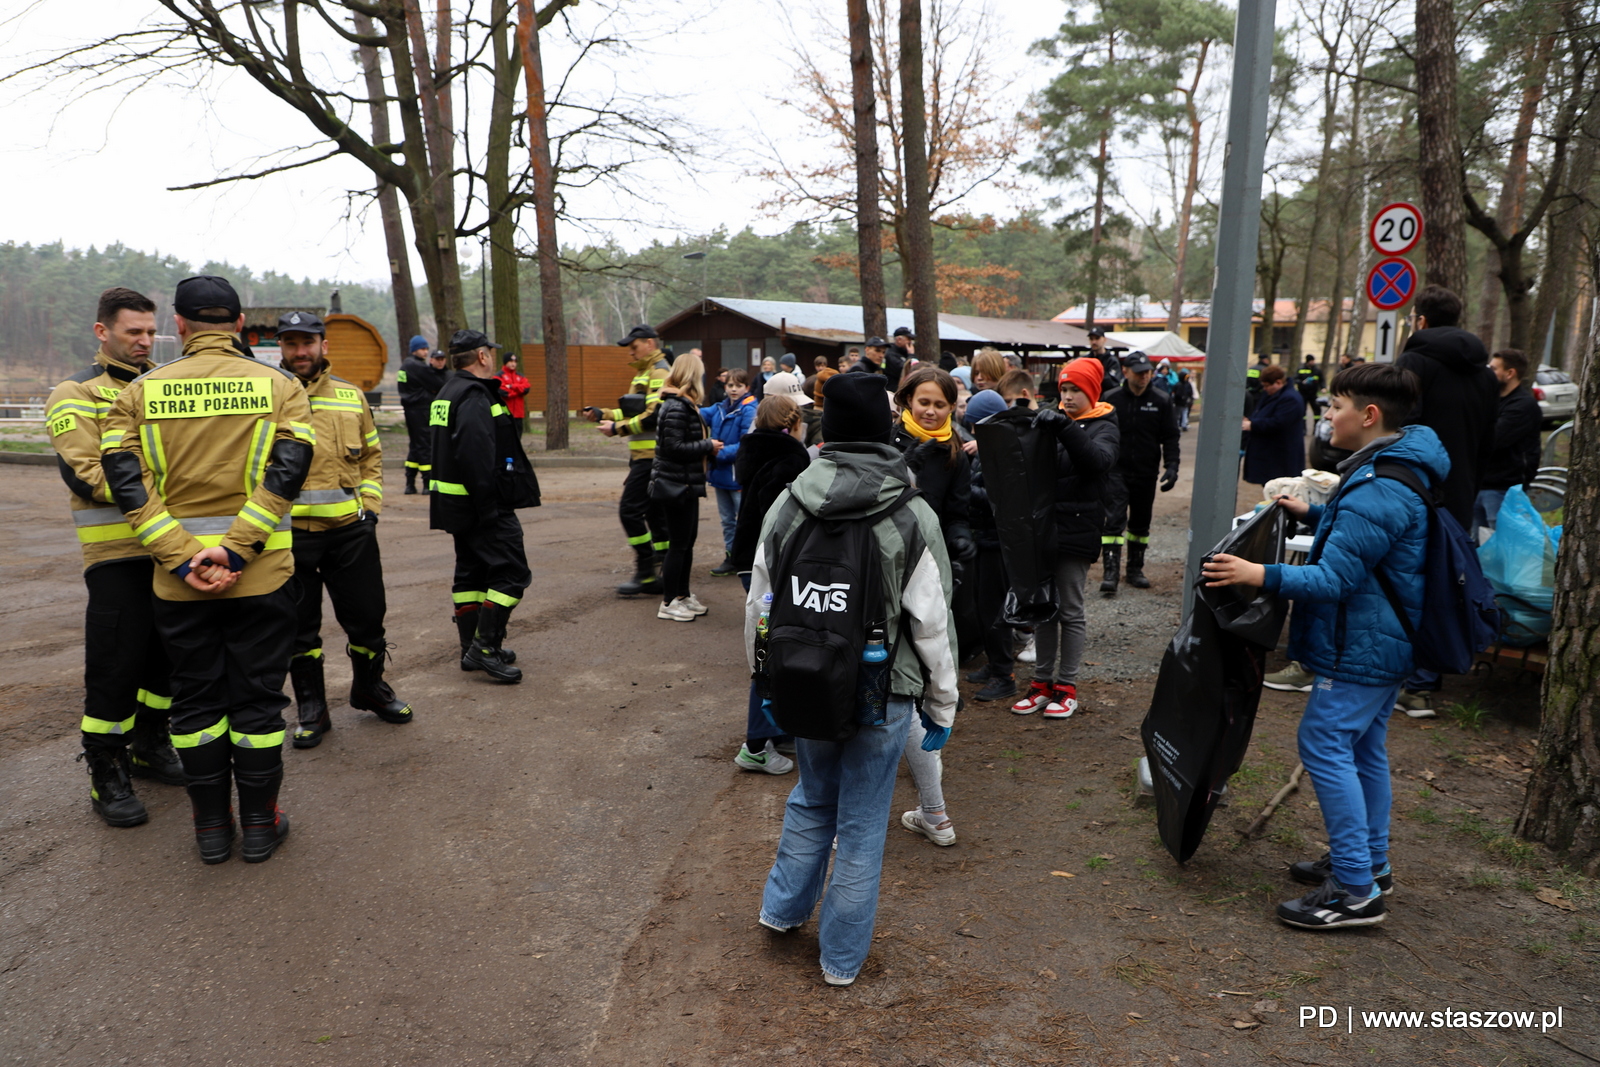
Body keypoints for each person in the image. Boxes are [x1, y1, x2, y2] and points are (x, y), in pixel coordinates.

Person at [1203, 362, 1446, 930]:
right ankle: (1371, 864)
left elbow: (1335, 580)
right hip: (1384, 641)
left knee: (1324, 741)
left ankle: (1356, 893)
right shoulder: (1393, 468)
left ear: (1369, 415)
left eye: (1334, 406)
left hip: (1362, 645)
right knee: (1363, 750)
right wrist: (1312, 511)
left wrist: (1255, 573)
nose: (1326, 416)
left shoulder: (1377, 487)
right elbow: (1367, 537)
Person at [750, 372, 958, 988]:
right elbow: (933, 624)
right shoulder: (913, 513)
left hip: (805, 681)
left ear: (827, 431)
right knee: (864, 820)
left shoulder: (788, 502)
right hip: (882, 690)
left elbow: (759, 604)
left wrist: (767, 682)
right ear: (888, 427)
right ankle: (840, 962)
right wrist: (942, 706)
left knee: (812, 797)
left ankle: (781, 912)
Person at [101, 274, 312, 864]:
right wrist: (238, 548)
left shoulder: (140, 393)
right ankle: (260, 825)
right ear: (240, 325)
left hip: (179, 582)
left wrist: (181, 554)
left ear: (180, 325)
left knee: (194, 703)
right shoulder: (283, 388)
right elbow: (287, 474)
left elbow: (125, 483)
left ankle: (212, 831)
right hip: (261, 573)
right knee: (259, 702)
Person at [47, 287, 182, 828]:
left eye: (151, 333)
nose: (145, 342)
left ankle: (151, 744)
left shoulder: (164, 390)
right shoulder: (76, 393)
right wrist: (168, 495)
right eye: (134, 332)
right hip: (116, 555)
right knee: (115, 666)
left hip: (168, 551)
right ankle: (106, 770)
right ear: (103, 332)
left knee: (164, 660)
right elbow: (86, 473)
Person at [275, 312, 412, 749]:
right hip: (290, 535)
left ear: (323, 346)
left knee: (369, 619)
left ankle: (369, 689)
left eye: (307, 343)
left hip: (350, 533)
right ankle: (313, 709)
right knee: (300, 627)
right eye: (291, 344)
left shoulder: (352, 397)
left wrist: (369, 508)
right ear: (281, 348)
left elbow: (371, 459)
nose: (300, 352)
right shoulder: (268, 397)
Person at [1392, 285, 1498, 717]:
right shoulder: (1486, 374)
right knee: (1446, 581)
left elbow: (1403, 426)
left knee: (1405, 580)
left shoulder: (1414, 361)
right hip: (1461, 492)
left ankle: (1399, 676)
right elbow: (1488, 438)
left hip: (1416, 492)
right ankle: (1422, 684)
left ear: (1420, 320)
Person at [1008, 358, 1119, 720]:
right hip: (1043, 531)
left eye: (1076, 390)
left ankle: (1066, 687)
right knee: (1043, 608)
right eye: (1064, 390)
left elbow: (1096, 462)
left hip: (1076, 530)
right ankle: (1041, 684)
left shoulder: (1105, 425)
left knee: (1070, 611)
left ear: (1092, 392)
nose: (1068, 397)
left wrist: (1063, 428)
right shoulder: (1051, 421)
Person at [889, 366, 973, 847]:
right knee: (895, 690)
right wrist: (907, 459)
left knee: (914, 689)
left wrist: (961, 543)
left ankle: (934, 813)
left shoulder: (956, 451)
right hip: (882, 567)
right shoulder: (887, 440)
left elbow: (958, 511)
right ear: (906, 400)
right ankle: (931, 812)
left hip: (930, 573)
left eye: (940, 404)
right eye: (923, 401)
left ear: (951, 407)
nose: (931, 410)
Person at [430, 329, 541, 684]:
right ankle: (485, 648)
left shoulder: (447, 391)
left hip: (457, 506)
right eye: (489, 352)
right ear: (481, 356)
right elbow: (476, 456)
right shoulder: (474, 394)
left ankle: (470, 648)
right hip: (480, 505)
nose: (492, 356)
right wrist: (490, 508)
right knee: (512, 573)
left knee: (471, 574)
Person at [728, 394, 811, 772]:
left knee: (770, 642)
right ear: (794, 424)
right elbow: (781, 517)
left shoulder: (750, 451)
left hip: (748, 559)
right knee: (771, 648)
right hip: (772, 564)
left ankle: (777, 730)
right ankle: (756, 746)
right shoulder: (792, 458)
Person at [583, 325, 671, 597]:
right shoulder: (644, 372)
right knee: (654, 514)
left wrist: (616, 428)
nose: (630, 352)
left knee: (629, 511)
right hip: (643, 458)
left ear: (649, 343)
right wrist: (602, 413)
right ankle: (665, 568)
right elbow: (632, 409)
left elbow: (653, 416)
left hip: (651, 459)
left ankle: (646, 570)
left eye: (634, 347)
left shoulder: (659, 372)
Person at [1101, 352, 1180, 595]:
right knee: (1113, 521)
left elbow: (1170, 436)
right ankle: (1110, 573)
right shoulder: (1110, 399)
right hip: (1115, 471)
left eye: (1148, 371)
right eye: (1139, 372)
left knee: (1140, 524)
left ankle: (1135, 569)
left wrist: (1172, 467)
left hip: (1146, 473)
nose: (1145, 375)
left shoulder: (1161, 400)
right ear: (1125, 372)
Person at [652, 353, 720, 621]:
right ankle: (668, 602)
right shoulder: (676, 406)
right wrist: (708, 445)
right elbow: (674, 447)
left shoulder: (685, 404)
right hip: (676, 484)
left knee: (686, 543)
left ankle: (683, 595)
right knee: (678, 545)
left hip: (687, 484)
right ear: (692, 375)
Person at [960, 388, 1017, 702]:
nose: (970, 431)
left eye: (975, 425)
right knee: (983, 606)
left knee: (995, 609)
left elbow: (999, 500)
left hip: (997, 543)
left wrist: (963, 488)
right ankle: (995, 665)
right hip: (984, 540)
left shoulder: (1003, 452)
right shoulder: (986, 450)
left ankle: (1004, 674)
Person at [1475, 348, 1542, 534]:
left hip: (1503, 489)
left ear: (1510, 373)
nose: (1488, 372)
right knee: (1478, 550)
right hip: (1480, 485)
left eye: (1494, 368)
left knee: (1505, 548)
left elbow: (1493, 439)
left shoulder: (1523, 405)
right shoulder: (1492, 401)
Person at [702, 368, 757, 576]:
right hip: (719, 475)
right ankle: (731, 557)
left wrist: (717, 451)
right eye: (730, 385)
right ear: (725, 387)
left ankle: (748, 559)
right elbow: (696, 413)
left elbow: (746, 443)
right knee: (727, 520)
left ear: (747, 387)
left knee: (744, 520)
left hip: (737, 475)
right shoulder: (719, 407)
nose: (734, 389)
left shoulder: (749, 409)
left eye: (738, 386)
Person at [397, 335, 446, 494]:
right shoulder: (417, 366)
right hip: (421, 409)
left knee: (416, 445)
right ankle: (427, 483)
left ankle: (409, 483)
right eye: (422, 349)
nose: (425, 352)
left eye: (426, 349)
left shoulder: (406, 365)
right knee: (425, 444)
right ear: (414, 350)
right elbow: (437, 383)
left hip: (411, 410)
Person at [1242, 365, 1307, 485]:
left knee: (1279, 489)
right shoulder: (1274, 395)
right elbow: (1264, 414)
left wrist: (1253, 424)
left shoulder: (1290, 399)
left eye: (1267, 386)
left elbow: (1279, 423)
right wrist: (1251, 420)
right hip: (1271, 455)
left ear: (1278, 382)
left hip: (1280, 457)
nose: (1265, 389)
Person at [801, 355, 836, 445]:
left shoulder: (797, 417)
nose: (820, 368)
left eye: (823, 365)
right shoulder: (827, 423)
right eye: (818, 365)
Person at [497, 351, 531, 436]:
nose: (513, 364)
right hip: (505, 413)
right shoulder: (498, 376)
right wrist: (518, 391)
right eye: (511, 361)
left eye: (515, 362)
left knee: (518, 436)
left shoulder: (521, 376)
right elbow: (502, 391)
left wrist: (512, 386)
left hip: (519, 413)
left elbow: (526, 388)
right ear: (505, 362)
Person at [1086, 328, 1122, 397]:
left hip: (1107, 399)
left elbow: (1114, 384)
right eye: (1091, 339)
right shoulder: (1085, 359)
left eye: (1097, 338)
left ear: (1104, 339)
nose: (1094, 342)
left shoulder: (1112, 361)